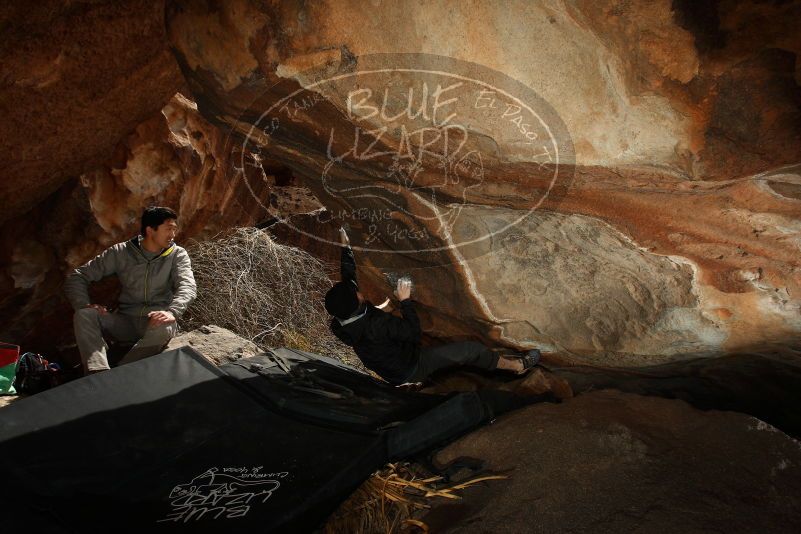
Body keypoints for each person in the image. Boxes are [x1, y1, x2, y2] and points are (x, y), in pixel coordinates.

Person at [325, 228, 540, 385]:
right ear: (356, 305)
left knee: (386, 313)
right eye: (357, 294)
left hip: (387, 363)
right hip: (409, 368)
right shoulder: (376, 326)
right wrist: (405, 300)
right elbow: (412, 333)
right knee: (470, 351)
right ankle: (518, 367)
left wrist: (345, 245)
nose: (359, 291)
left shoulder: (340, 322)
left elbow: (348, 276)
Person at [65, 207, 197, 374]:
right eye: (168, 229)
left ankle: (120, 374)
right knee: (83, 315)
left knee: (166, 326)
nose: (173, 235)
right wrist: (84, 304)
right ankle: (97, 372)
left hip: (154, 323)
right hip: (123, 322)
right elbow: (77, 276)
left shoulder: (178, 254)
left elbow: (188, 286)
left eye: (174, 229)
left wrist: (172, 312)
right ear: (150, 230)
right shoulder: (120, 252)